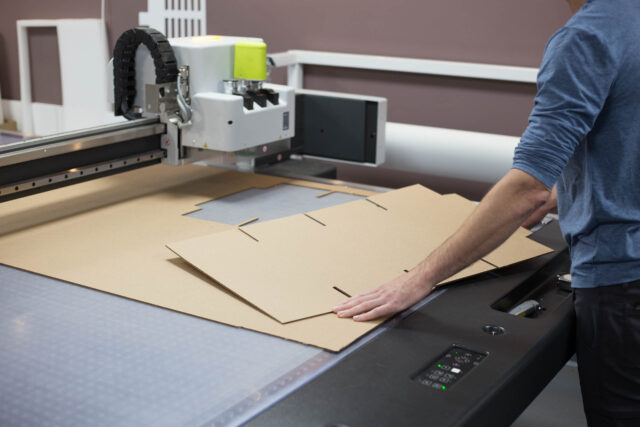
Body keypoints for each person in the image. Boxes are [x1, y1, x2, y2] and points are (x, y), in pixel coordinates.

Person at [333, 0, 640, 425]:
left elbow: (527, 188)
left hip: (624, 280)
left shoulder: (587, 37)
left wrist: (417, 279)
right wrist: (575, 188)